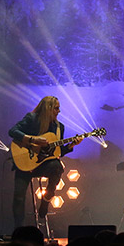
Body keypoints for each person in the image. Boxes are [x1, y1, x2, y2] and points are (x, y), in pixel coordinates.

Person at [8, 96, 77, 229]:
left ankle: (46, 199)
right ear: (48, 108)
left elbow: (57, 152)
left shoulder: (59, 127)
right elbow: (12, 131)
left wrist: (70, 146)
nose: (59, 111)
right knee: (19, 198)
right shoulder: (31, 118)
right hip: (25, 164)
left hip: (43, 165)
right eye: (56, 108)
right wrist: (32, 140)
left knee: (57, 167)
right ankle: (19, 230)